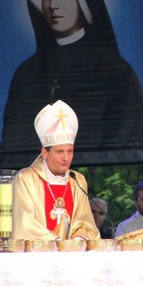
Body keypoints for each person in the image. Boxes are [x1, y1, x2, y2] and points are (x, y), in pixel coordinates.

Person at [0, 0, 143, 169]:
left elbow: (132, 144)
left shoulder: (116, 72)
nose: (53, 4)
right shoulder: (26, 74)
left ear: (83, 0)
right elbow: (7, 153)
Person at [11, 100, 100, 240]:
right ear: (45, 153)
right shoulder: (26, 178)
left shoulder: (77, 180)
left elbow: (84, 222)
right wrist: (57, 244)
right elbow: (25, 224)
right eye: (60, 152)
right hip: (39, 256)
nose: (66, 158)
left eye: (70, 151)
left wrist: (78, 240)